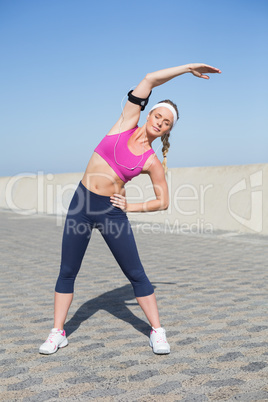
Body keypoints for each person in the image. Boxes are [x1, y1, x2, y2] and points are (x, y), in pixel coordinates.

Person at [39, 63, 221, 355]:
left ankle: (157, 332)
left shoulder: (150, 161)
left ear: (167, 132)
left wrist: (130, 206)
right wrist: (187, 68)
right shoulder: (125, 122)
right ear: (149, 114)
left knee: (136, 273)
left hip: (111, 213)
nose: (160, 122)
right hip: (82, 203)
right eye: (158, 116)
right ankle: (57, 333)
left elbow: (163, 201)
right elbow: (149, 79)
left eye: (166, 123)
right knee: (67, 270)